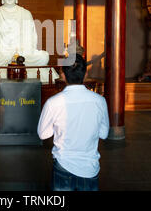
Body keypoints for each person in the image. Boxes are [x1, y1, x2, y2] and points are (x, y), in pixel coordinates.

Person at [37, 54, 109, 191]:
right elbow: (104, 134)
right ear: (85, 73)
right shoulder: (100, 101)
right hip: (90, 167)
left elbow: (43, 134)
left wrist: (57, 128)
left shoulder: (53, 102)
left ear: (62, 74)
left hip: (63, 165)